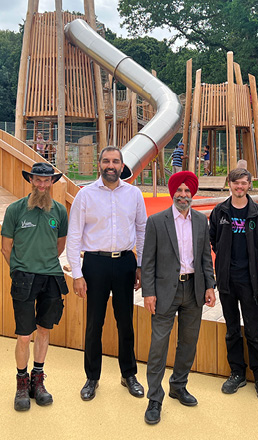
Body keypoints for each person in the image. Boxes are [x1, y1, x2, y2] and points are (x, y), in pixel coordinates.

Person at [67, 146, 147, 401]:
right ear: (99, 165)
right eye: (106, 161)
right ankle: (92, 377)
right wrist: (77, 275)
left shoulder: (134, 194)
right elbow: (74, 236)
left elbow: (142, 231)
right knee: (94, 324)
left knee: (125, 323)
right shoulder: (85, 195)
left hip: (125, 262)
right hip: (95, 264)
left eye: (115, 161)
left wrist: (141, 266)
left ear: (122, 166)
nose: (110, 165)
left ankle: (129, 374)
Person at [142, 171, 216, 425]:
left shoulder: (199, 220)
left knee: (188, 342)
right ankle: (154, 398)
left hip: (193, 290)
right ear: (172, 192)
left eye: (188, 191)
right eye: (180, 191)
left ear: (192, 194)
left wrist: (209, 285)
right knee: (158, 346)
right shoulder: (156, 221)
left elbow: (205, 256)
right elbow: (148, 261)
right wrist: (148, 292)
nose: (184, 195)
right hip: (164, 292)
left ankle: (178, 385)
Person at [1, 162, 69, 412]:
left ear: (52, 182)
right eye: (37, 180)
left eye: (46, 180)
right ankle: (21, 384)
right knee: (24, 333)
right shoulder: (15, 210)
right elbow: (6, 248)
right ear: (30, 180)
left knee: (43, 330)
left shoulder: (60, 211)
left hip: (51, 276)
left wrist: (45, 263)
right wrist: (20, 268)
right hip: (23, 278)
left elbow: (60, 246)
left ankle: (37, 381)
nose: (42, 185)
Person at [209, 168, 258, 400]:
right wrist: (225, 259)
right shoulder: (220, 211)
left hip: (248, 278)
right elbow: (213, 239)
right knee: (232, 329)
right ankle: (237, 372)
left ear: (249, 185)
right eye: (236, 183)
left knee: (254, 328)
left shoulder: (257, 212)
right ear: (230, 184)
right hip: (226, 278)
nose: (240, 187)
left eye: (244, 183)